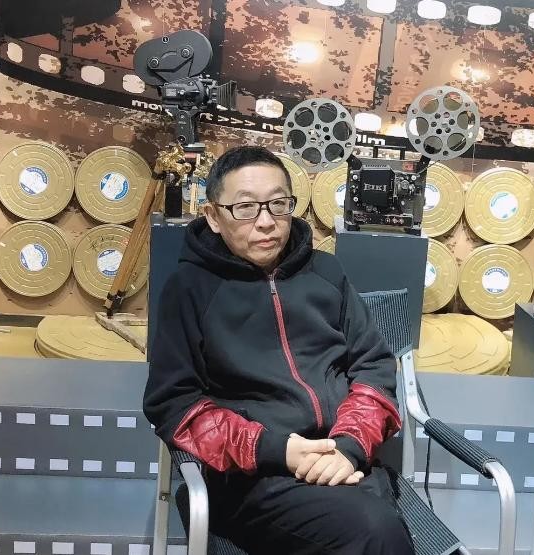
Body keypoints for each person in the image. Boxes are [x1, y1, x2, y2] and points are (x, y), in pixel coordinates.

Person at [143, 146, 414, 555]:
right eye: (245, 208)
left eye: (278, 204)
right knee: (376, 533)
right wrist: (277, 450)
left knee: (377, 528)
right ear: (213, 216)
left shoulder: (326, 272)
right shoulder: (189, 290)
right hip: (254, 478)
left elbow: (373, 367)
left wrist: (348, 447)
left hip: (341, 459)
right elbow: (174, 405)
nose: (266, 222)